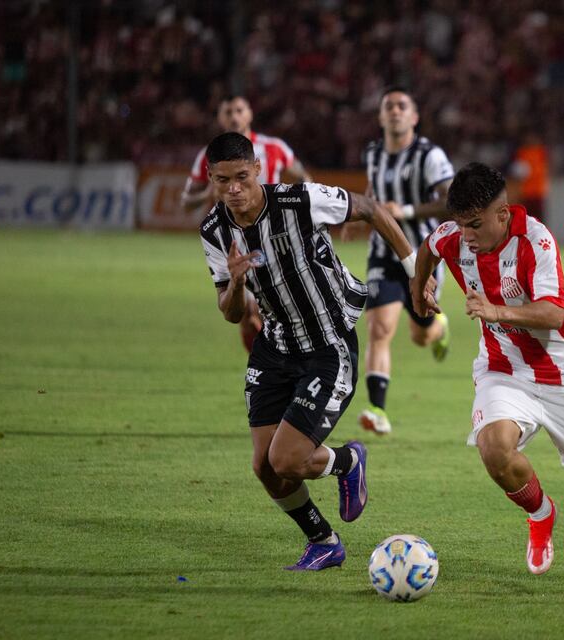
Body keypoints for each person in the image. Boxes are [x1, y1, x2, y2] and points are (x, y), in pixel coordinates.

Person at [410, 162, 564, 596]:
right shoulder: (455, 238)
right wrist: (420, 288)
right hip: (502, 369)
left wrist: (496, 312)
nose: (466, 236)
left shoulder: (536, 241)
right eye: (460, 225)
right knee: (494, 447)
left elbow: (552, 313)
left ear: (503, 214)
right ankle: (541, 513)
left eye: (475, 224)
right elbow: (428, 247)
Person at [199, 132, 421, 571]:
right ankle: (324, 542)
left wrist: (415, 273)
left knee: (288, 459)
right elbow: (229, 312)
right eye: (223, 181)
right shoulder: (214, 230)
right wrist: (238, 283)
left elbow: (372, 210)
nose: (234, 190)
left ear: (258, 170)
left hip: (328, 344)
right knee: (264, 466)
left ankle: (347, 459)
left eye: (242, 177)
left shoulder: (300, 200)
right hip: (274, 346)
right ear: (212, 178)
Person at [356, 86, 455, 435]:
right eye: (389, 106)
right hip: (383, 252)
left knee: (420, 335)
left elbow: (451, 201)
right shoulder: (372, 153)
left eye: (402, 106)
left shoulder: (430, 155)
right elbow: (373, 193)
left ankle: (438, 328)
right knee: (379, 328)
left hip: (423, 255)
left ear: (413, 117)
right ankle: (377, 409)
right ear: (381, 116)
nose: (395, 111)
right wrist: (364, 214)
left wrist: (407, 211)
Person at [185, 95, 313, 353]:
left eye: (239, 110)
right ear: (220, 118)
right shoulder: (209, 155)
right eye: (228, 111)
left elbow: (303, 177)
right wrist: (206, 195)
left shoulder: (275, 148)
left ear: (250, 114)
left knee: (275, 308)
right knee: (247, 314)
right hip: (235, 242)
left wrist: (301, 205)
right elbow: (186, 202)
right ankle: (268, 364)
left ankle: (280, 360)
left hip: (276, 238)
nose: (234, 116)